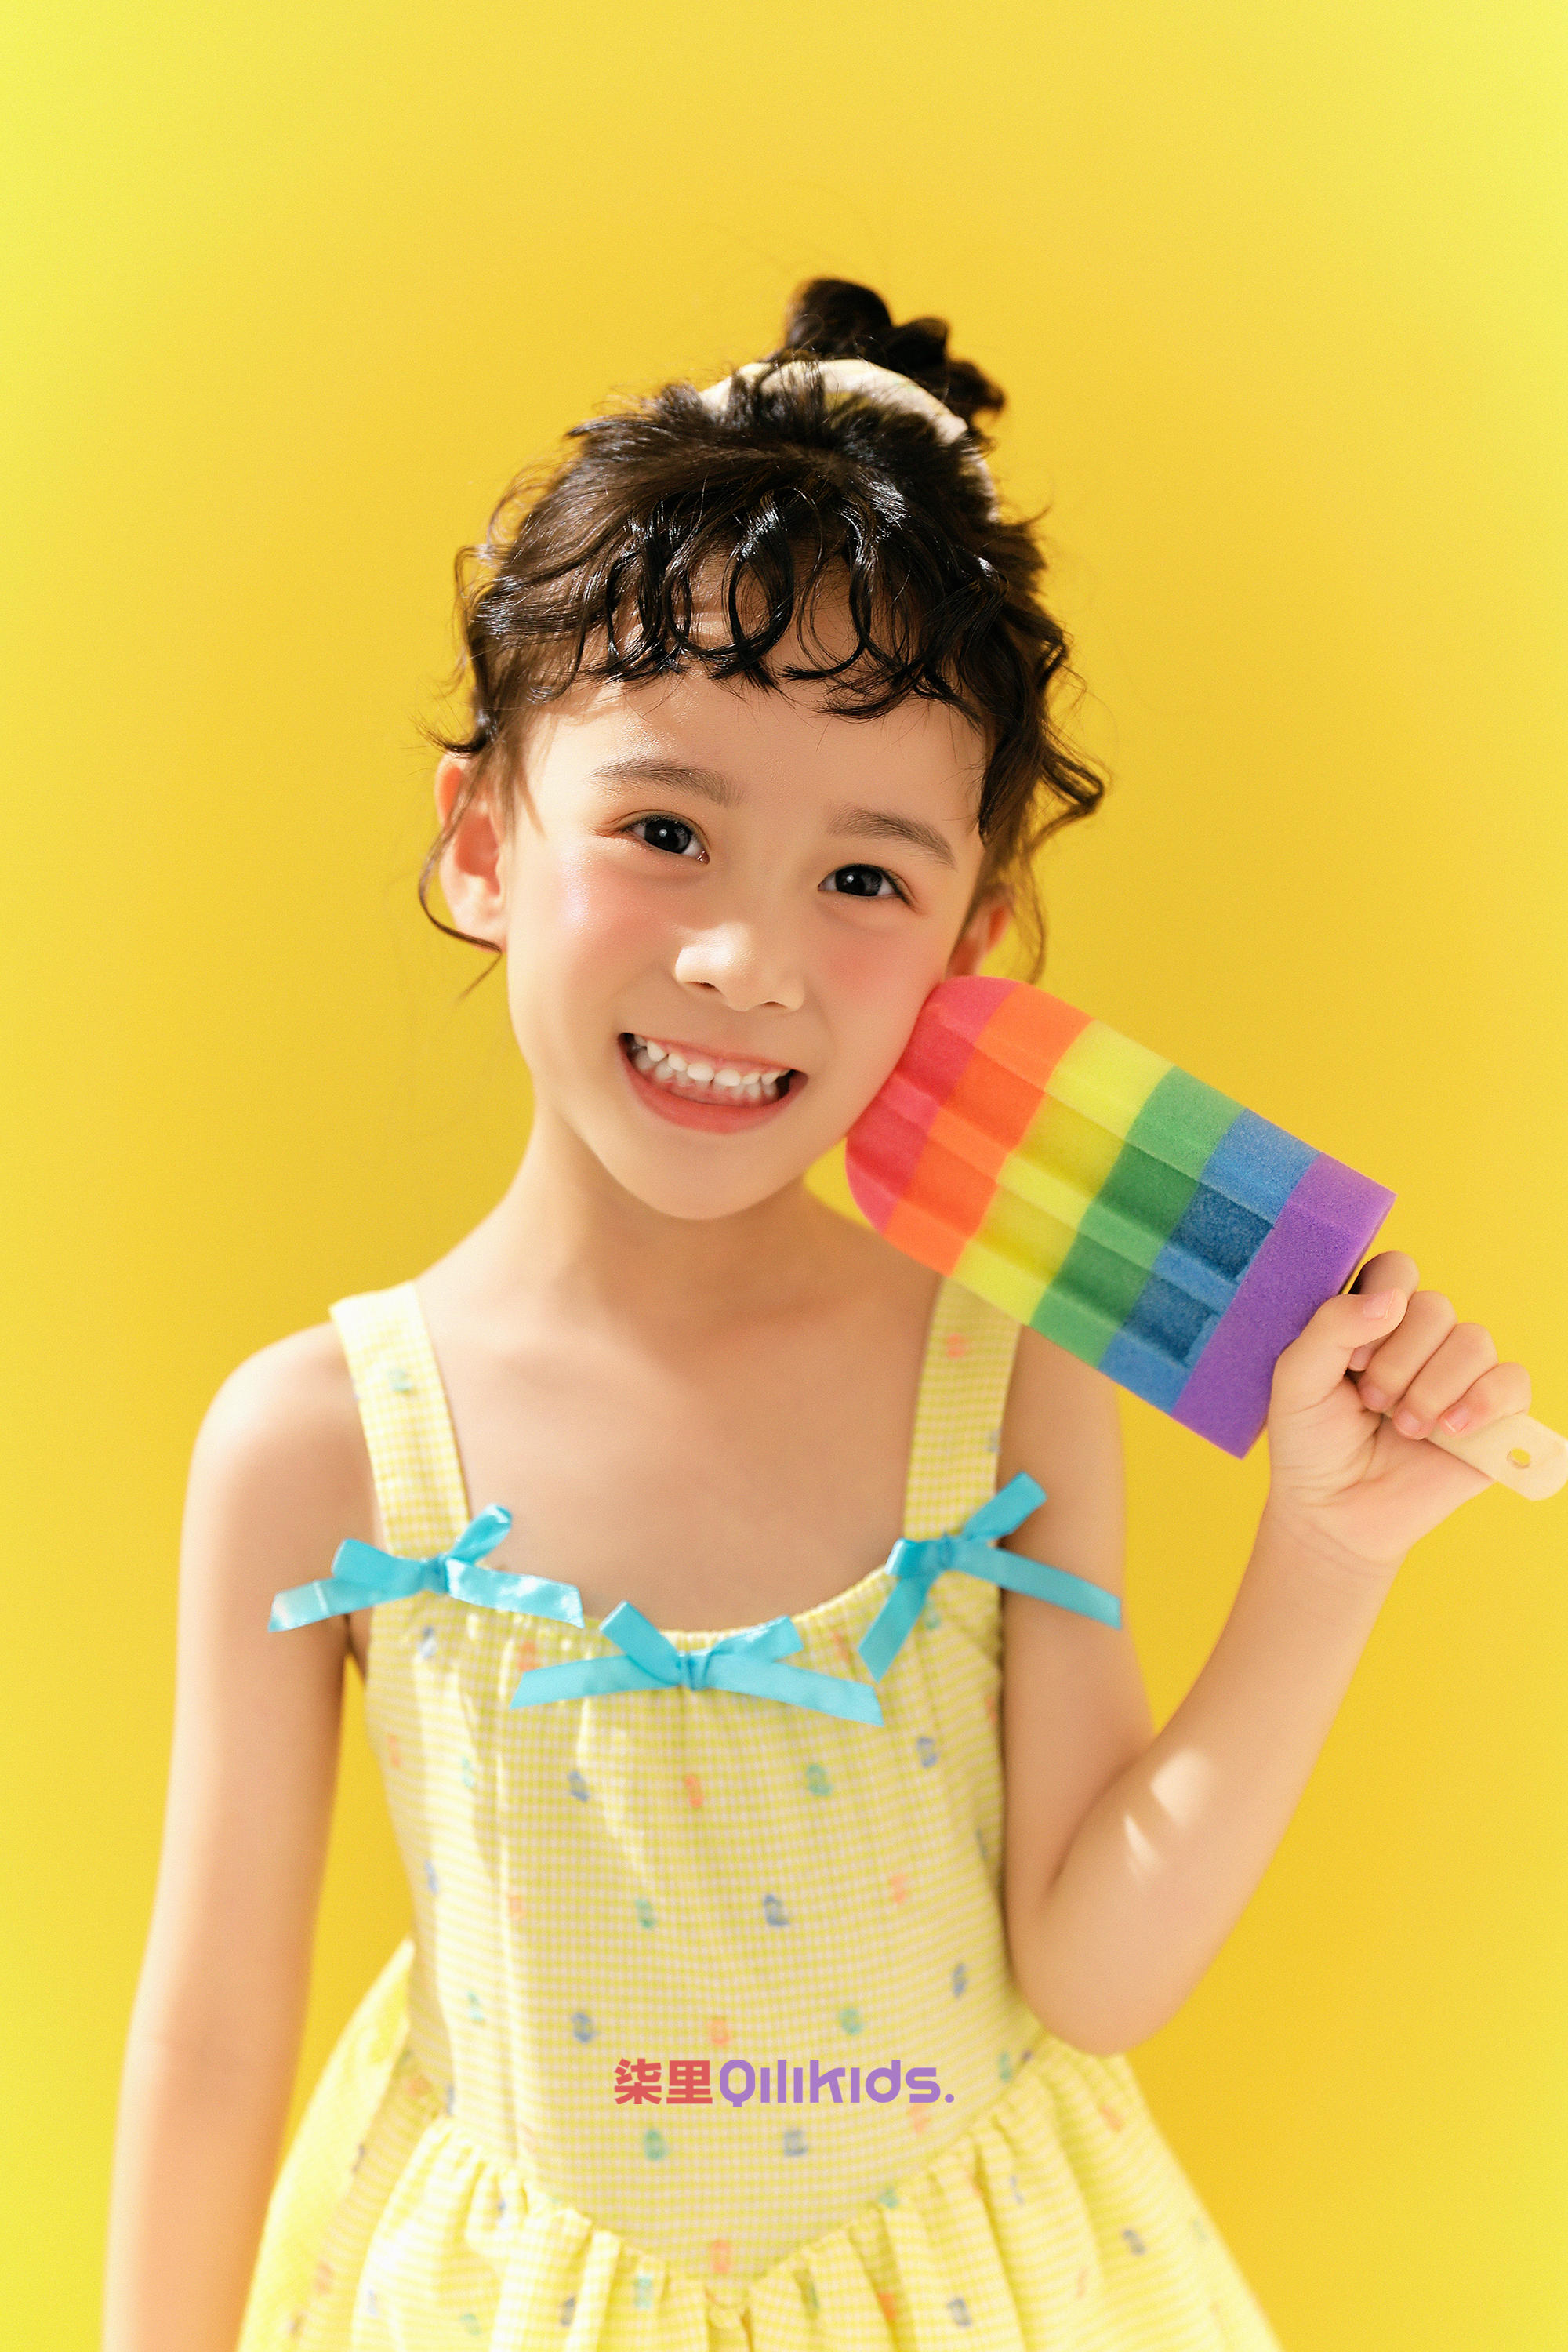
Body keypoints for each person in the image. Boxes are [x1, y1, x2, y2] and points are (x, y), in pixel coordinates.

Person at [103, 280, 1530, 2351]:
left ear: (976, 935)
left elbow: (1095, 1973)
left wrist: (1328, 1550)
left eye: (863, 879)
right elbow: (212, 2035)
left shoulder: (999, 1376)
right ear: (482, 840)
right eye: (664, 832)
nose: (744, 961)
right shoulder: (319, 1446)